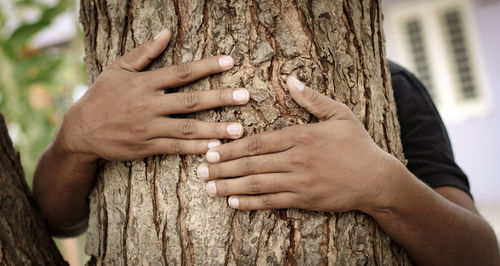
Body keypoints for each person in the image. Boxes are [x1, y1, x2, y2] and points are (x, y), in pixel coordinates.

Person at [33, 29, 500, 265]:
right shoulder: (125, 81)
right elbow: (58, 218)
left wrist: (381, 184)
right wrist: (74, 139)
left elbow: (480, 256)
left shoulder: (391, 85)